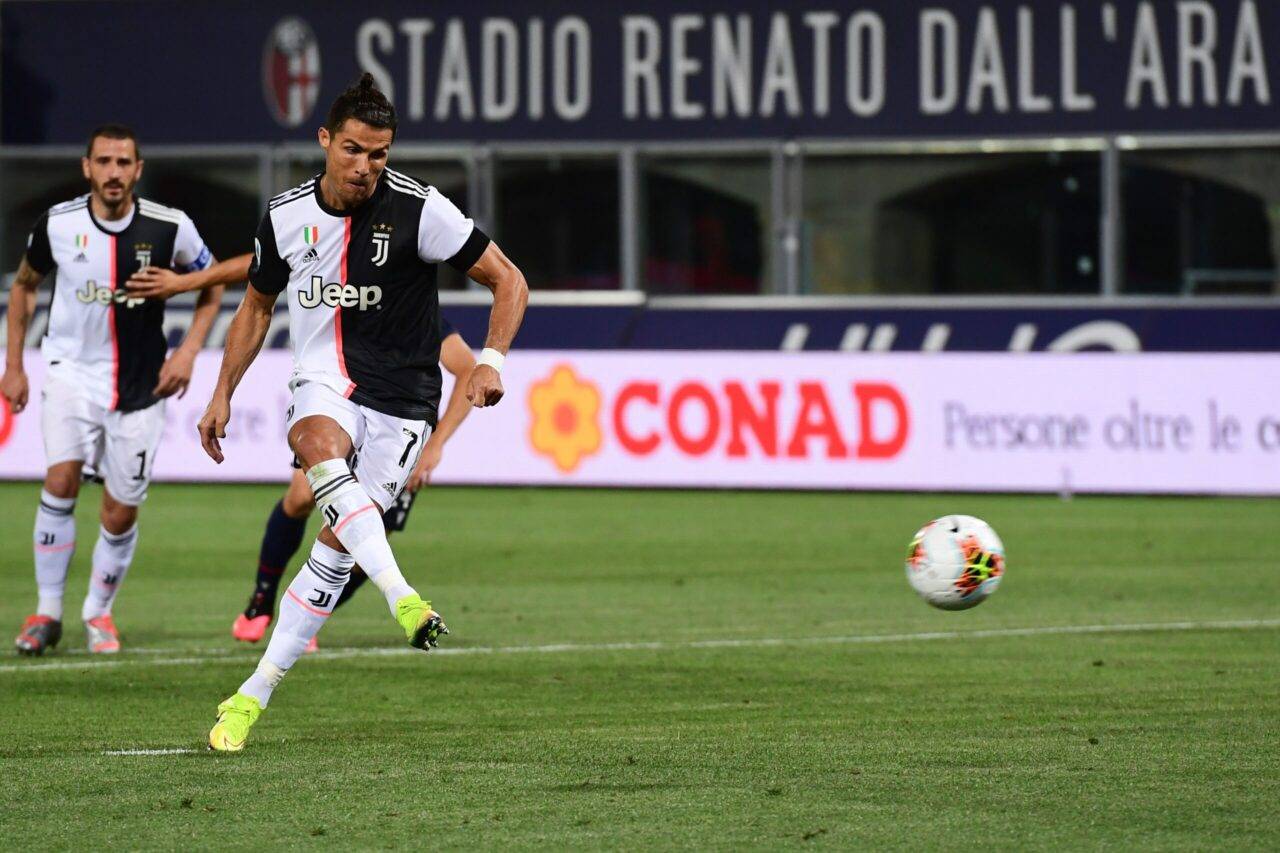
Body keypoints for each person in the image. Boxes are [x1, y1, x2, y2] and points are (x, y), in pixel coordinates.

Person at [198, 74, 527, 752]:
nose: (365, 166)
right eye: (353, 150)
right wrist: (222, 388)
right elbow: (257, 305)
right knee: (315, 442)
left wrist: (491, 359)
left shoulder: (420, 208)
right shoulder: (286, 215)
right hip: (326, 378)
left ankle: (250, 695)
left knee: (333, 553)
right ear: (325, 140)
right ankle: (402, 594)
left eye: (379, 154)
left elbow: (509, 279)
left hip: (405, 401)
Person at [128, 262, 475, 647]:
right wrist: (187, 282)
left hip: (398, 433)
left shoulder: (415, 314)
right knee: (299, 499)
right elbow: (259, 262)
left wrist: (435, 446)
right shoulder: (333, 287)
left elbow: (467, 370)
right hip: (340, 414)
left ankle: (308, 619)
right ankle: (261, 601)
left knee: (364, 545)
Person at [1, 124, 223, 655]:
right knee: (61, 480)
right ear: (87, 168)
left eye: (124, 163)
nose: (114, 172)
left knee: (121, 511)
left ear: (138, 170)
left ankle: (97, 614)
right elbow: (24, 287)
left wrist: (189, 351)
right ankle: (47, 611)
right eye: (104, 162)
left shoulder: (171, 227)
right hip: (71, 370)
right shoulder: (58, 224)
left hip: (142, 384)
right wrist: (14, 365)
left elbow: (213, 284)